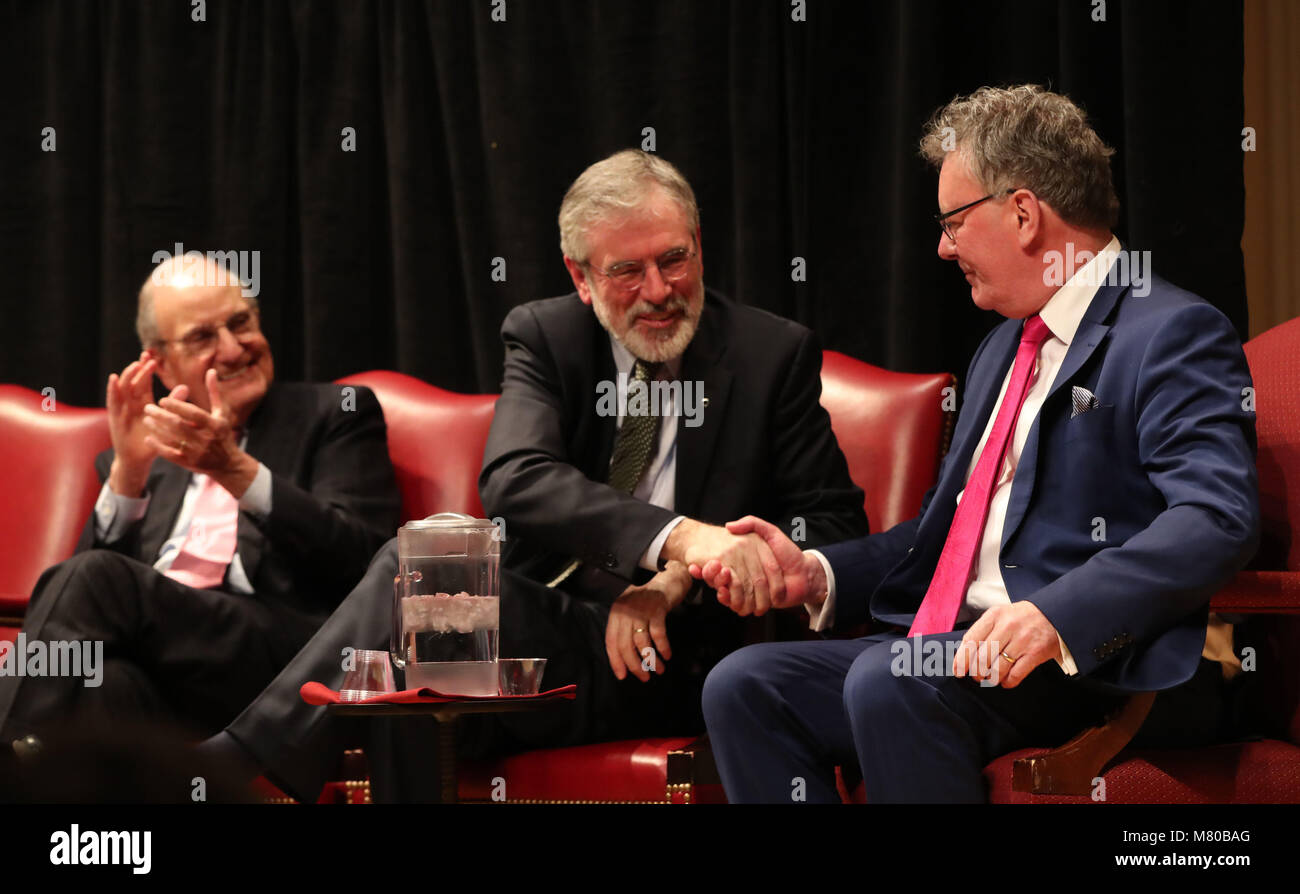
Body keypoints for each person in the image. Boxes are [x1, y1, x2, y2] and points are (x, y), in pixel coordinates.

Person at [203, 149, 868, 802]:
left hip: (673, 659)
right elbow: (516, 478)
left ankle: (234, 773)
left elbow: (833, 525)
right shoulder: (549, 336)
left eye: (674, 259)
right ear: (581, 278)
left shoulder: (768, 355)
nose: (660, 292)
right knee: (427, 584)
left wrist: (682, 581)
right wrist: (678, 539)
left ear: (698, 244)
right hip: (547, 634)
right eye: (626, 272)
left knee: (416, 604)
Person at [699, 85, 1260, 803]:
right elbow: (947, 535)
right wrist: (815, 573)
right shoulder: (1003, 348)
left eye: (954, 221)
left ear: (1024, 213)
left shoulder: (1170, 332)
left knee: (887, 679)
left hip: (1085, 666)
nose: (941, 246)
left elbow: (1215, 518)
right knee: (745, 686)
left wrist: (1058, 614)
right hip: (952, 652)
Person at [0, 256, 400, 752]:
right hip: (175, 672)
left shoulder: (335, 415)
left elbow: (365, 560)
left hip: (285, 653)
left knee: (95, 578)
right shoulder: (147, 452)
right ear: (159, 364)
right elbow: (73, 611)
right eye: (203, 337)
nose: (233, 349)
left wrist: (235, 469)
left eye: (240, 323)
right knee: (103, 688)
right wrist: (128, 474)